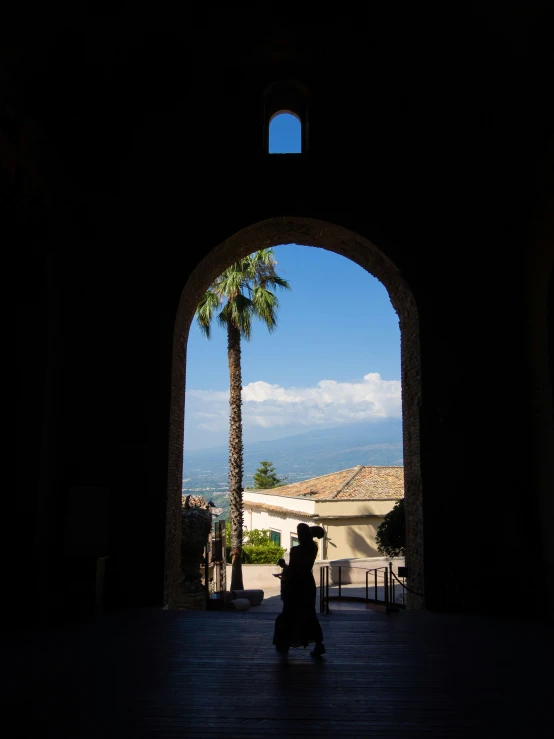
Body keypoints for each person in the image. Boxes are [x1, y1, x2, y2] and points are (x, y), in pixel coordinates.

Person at [272, 523, 326, 658]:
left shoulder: (295, 550)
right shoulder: (313, 548)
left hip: (295, 585)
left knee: (288, 613)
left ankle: (284, 642)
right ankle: (319, 644)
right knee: (309, 614)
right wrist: (308, 531)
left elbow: (293, 570)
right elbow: (314, 533)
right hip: (308, 584)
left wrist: (285, 584)